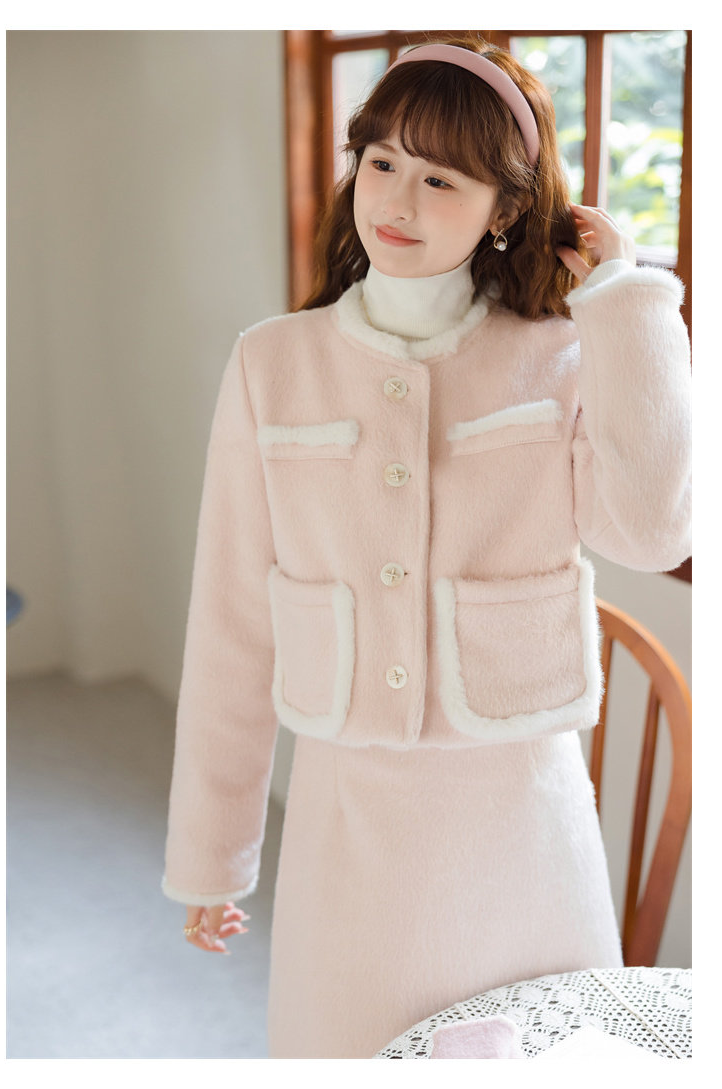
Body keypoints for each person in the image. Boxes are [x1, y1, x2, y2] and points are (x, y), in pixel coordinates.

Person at [161, 36, 691, 1059]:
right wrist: (211, 856)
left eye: (442, 178)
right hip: (350, 836)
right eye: (382, 161)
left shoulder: (559, 353)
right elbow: (231, 619)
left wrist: (625, 298)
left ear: (504, 210)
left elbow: (653, 528)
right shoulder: (273, 364)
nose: (398, 199)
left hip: (526, 834)